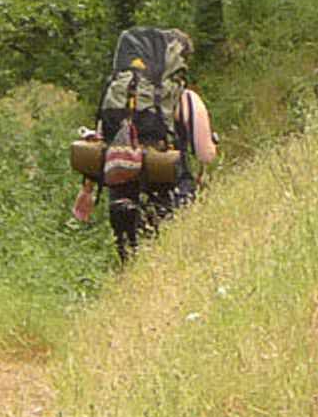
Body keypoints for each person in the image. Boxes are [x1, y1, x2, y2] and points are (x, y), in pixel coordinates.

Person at [73, 27, 216, 257]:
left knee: (129, 254)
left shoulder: (118, 93)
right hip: (169, 186)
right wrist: (213, 146)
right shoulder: (186, 98)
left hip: (121, 186)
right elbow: (205, 155)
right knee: (171, 256)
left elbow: (101, 140)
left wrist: (87, 191)